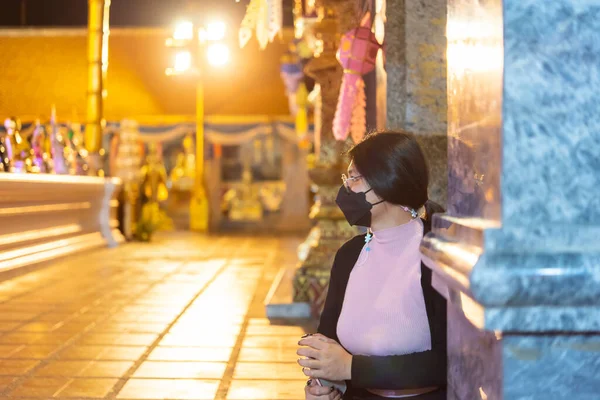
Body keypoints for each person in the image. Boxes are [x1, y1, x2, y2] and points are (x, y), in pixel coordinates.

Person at [298, 131, 447, 400]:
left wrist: (350, 367)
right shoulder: (349, 255)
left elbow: (447, 363)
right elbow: (330, 340)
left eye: (354, 178)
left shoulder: (435, 253)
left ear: (387, 181)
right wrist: (327, 385)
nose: (346, 188)